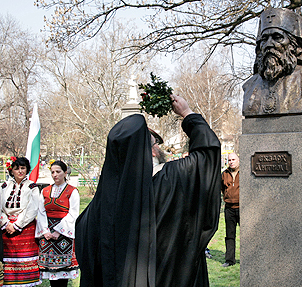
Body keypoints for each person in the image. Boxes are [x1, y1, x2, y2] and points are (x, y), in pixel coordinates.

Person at [76, 95, 221, 287]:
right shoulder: (168, 181)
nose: (158, 148)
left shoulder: (92, 213)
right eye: (155, 144)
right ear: (149, 151)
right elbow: (207, 155)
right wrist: (187, 114)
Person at [242, 6, 302, 117]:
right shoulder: (250, 86)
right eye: (264, 39)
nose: (269, 44)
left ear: (293, 44)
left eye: (277, 37)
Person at [35, 160, 79, 287]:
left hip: (63, 233)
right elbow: (41, 212)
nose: (55, 175)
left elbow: (73, 213)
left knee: (63, 273)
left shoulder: (72, 191)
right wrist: (45, 231)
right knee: (50, 273)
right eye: (53, 172)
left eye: (58, 172)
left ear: (65, 173)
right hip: (47, 233)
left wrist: (58, 231)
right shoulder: (45, 191)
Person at [0, 157, 40, 285]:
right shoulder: (4, 186)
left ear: (27, 169)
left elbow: (32, 208)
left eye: (23, 168)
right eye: (17, 168)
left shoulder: (32, 187)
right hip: (6, 228)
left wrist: (17, 224)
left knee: (24, 259)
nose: (20, 171)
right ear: (12, 171)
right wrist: (6, 223)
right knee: (7, 259)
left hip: (25, 228)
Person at [221, 152, 240, 267]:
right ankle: (229, 260)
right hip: (229, 209)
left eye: (233, 159)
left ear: (238, 160)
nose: (231, 162)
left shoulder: (245, 172)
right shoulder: (224, 174)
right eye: (229, 160)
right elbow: (222, 188)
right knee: (229, 235)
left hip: (242, 208)